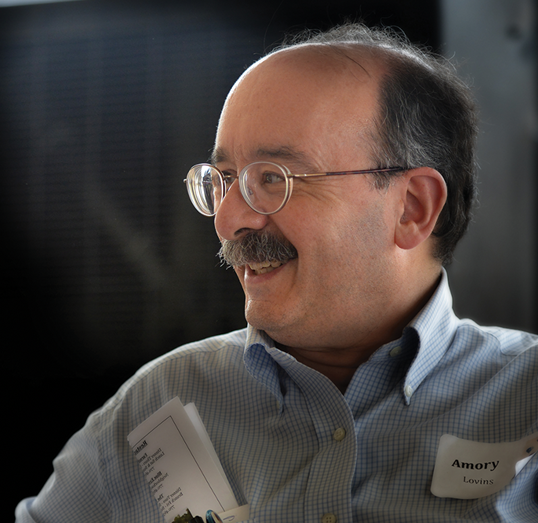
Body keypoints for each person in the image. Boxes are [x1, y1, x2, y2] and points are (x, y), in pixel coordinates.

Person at [16, 22, 537, 523]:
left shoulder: (525, 397)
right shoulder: (156, 404)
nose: (228, 220)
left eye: (273, 178)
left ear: (412, 208)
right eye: (224, 179)